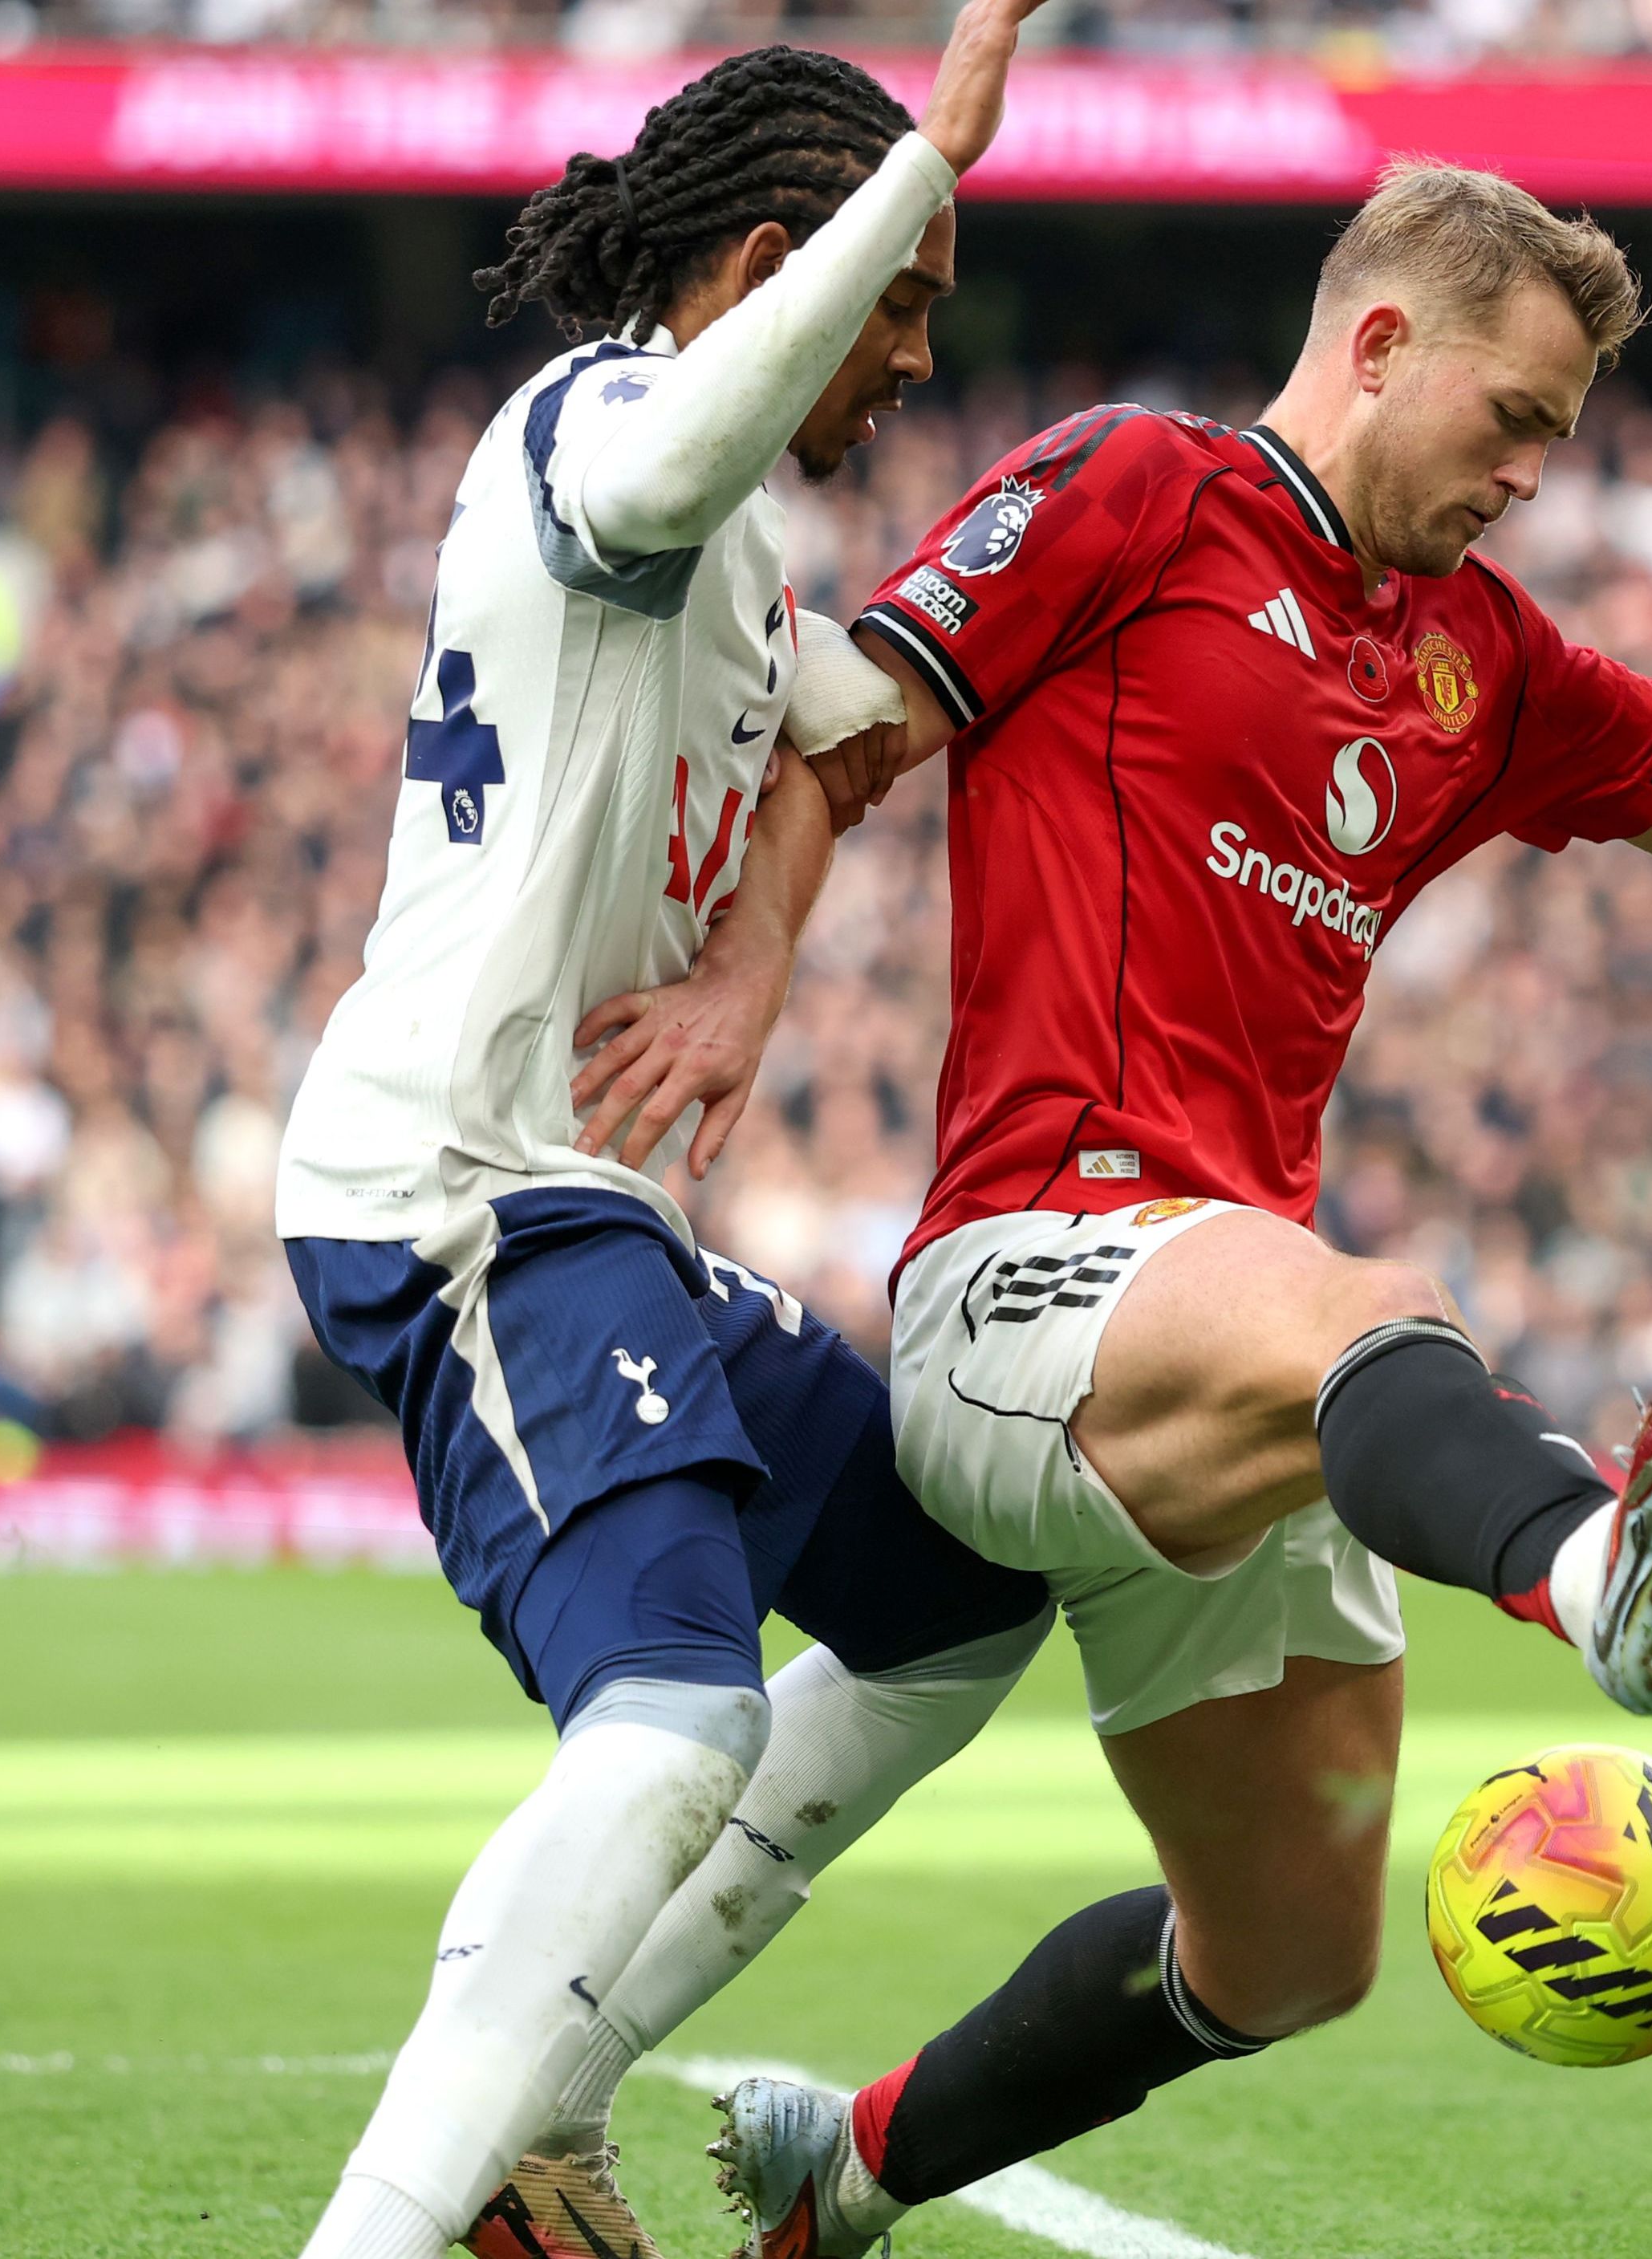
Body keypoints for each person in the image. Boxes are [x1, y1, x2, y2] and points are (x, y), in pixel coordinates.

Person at [643, 161, 1652, 2254]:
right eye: (1514, 421)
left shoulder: (1465, 652)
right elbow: (850, 730)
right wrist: (744, 977)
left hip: (1235, 1368)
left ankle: (843, 2175)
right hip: (1028, 1279)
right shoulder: (1134, 488)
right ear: (1379, 347)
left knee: (1289, 1954)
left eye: (1561, 443)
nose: (1534, 480)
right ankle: (1592, 1568)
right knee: (1370, 1303)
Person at [265, 18, 1065, 2257]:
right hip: (464, 1194)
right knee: (671, 1726)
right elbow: (688, 431)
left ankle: (548, 2103)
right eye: (894, 296)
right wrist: (934, 158)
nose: (913, 350)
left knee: (953, 1601)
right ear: (763, 263)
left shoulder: (738, 564)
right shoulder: (605, 433)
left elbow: (856, 739)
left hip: (587, 1202)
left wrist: (757, 967)